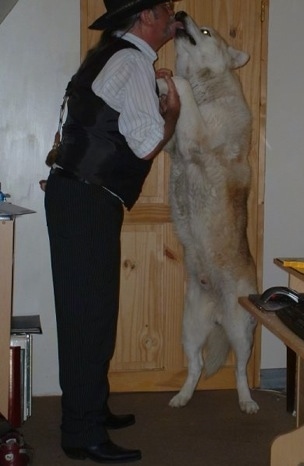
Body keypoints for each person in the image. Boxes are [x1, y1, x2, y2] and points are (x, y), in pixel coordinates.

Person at [44, 0, 182, 463]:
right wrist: (173, 112)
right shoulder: (131, 62)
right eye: (167, 10)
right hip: (86, 200)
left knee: (93, 311)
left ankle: (93, 409)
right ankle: (81, 433)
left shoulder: (113, 57)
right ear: (145, 18)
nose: (172, 18)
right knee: (88, 316)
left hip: (80, 197)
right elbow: (145, 143)